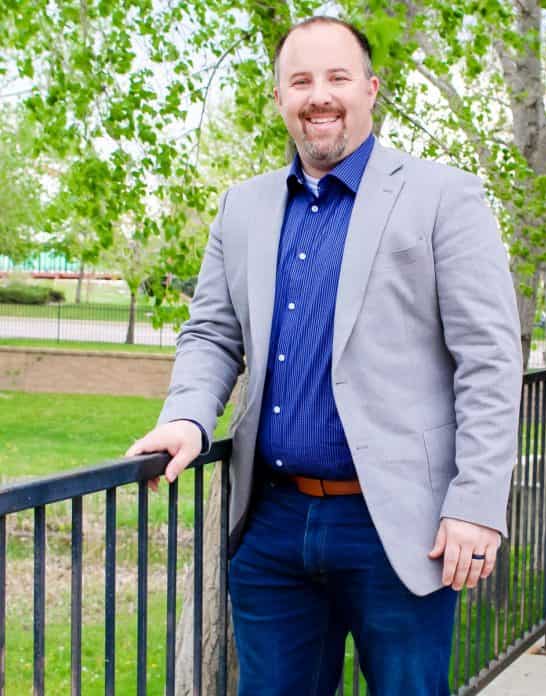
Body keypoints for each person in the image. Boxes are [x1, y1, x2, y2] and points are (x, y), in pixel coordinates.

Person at [126, 15, 522, 696]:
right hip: (273, 526)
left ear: (370, 88)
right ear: (279, 96)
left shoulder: (442, 196)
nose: (320, 96)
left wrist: (477, 503)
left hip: (402, 528)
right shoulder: (242, 208)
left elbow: (489, 359)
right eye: (301, 80)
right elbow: (212, 333)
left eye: (337, 77)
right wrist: (187, 418)